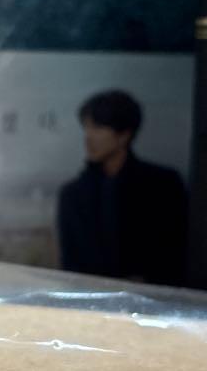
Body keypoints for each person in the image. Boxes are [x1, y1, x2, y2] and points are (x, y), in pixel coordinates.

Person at [57, 90, 187, 285]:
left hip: (152, 297)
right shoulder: (72, 195)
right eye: (86, 127)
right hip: (90, 298)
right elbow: (70, 264)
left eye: (98, 127)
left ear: (124, 135)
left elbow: (175, 252)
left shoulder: (163, 185)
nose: (88, 136)